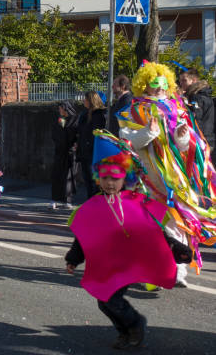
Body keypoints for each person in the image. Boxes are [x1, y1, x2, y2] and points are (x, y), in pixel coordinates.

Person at [65, 131, 187, 350]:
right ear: (97, 178)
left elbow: (154, 230)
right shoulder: (93, 207)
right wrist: (74, 258)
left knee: (110, 300)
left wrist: (175, 247)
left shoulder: (135, 202)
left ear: (126, 178)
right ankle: (125, 331)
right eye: (105, 178)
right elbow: (84, 235)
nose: (110, 183)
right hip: (107, 264)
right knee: (104, 302)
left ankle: (135, 325)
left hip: (129, 262)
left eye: (115, 178)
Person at [118, 61, 216, 287]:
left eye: (164, 84)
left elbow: (184, 147)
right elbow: (128, 139)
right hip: (147, 175)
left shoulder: (177, 108)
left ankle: (178, 269)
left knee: (178, 220)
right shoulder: (133, 109)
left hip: (177, 177)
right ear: (145, 85)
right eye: (155, 84)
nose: (160, 88)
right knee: (152, 223)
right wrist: (148, 133)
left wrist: (182, 136)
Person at [77, 91, 106, 199]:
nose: (83, 101)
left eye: (85, 99)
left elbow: (96, 133)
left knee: (94, 181)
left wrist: (88, 144)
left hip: (92, 153)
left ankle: (95, 203)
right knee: (88, 180)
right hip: (84, 151)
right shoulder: (85, 114)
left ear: (91, 100)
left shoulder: (99, 114)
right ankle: (90, 202)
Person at [179, 68, 215, 155]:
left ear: (194, 80)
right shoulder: (202, 94)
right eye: (180, 81)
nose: (181, 84)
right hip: (208, 138)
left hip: (202, 141)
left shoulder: (196, 97)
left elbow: (195, 118)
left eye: (184, 80)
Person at [50, 100, 78, 210]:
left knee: (69, 177)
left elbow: (75, 134)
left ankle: (68, 200)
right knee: (56, 175)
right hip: (60, 151)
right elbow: (55, 133)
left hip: (70, 152)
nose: (59, 110)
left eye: (61, 108)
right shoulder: (59, 119)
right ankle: (54, 199)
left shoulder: (74, 119)